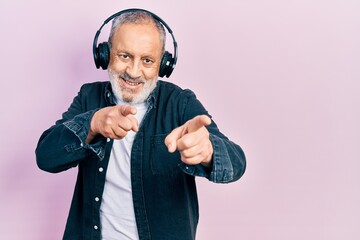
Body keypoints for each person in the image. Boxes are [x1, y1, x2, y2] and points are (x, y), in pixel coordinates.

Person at [36, 9, 246, 240]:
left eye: (147, 60)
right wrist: (92, 124)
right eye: (124, 56)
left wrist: (208, 151)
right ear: (105, 54)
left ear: (164, 65)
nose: (134, 72)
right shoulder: (88, 96)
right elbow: (46, 157)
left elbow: (236, 163)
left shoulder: (181, 103)